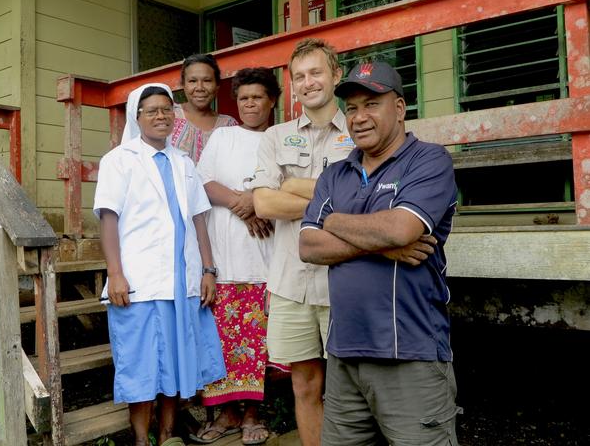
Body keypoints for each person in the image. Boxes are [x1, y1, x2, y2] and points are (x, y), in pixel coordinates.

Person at [299, 62, 460, 445]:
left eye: (371, 104)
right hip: (343, 356)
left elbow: (401, 228)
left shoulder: (429, 160)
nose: (359, 117)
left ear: (400, 108)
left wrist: (334, 222)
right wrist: (385, 248)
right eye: (352, 108)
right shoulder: (334, 174)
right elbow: (308, 246)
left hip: (410, 353)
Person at [93, 83, 226, 446]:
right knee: (140, 368)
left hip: (180, 283)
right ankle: (141, 439)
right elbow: (108, 218)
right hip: (138, 284)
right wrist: (115, 274)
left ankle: (168, 436)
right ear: (137, 117)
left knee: (178, 367)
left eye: (167, 109)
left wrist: (209, 270)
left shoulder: (184, 162)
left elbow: (199, 220)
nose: (161, 116)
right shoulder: (119, 160)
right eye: (151, 110)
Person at [250, 38, 353, 446]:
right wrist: (331, 196)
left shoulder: (359, 131)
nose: (308, 82)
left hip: (344, 282)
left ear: (335, 76)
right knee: (304, 386)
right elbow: (262, 201)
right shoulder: (275, 136)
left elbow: (363, 201)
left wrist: (292, 184)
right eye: (299, 76)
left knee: (352, 389)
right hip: (291, 283)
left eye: (316, 72)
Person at [190, 67, 281, 445]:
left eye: (257, 97)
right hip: (223, 258)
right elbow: (204, 183)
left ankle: (252, 415)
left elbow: (289, 186)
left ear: (271, 101)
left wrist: (260, 202)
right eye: (243, 98)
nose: (249, 104)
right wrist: (245, 204)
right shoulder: (222, 137)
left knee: (257, 341)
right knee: (222, 342)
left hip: (265, 258)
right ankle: (226, 413)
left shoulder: (281, 138)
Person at [171, 53, 238, 163]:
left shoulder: (228, 125)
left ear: (217, 86)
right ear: (183, 84)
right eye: (192, 81)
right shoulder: (169, 115)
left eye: (207, 81)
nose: (200, 88)